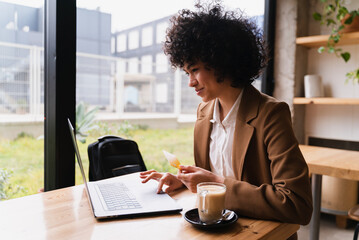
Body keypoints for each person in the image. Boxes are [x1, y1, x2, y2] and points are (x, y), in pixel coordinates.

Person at [140, 1, 313, 232]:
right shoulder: (204, 113)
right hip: (215, 230)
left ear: (219, 60)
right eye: (187, 73)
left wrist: (216, 185)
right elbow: (211, 178)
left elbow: (296, 204)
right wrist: (182, 181)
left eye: (194, 70)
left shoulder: (271, 114)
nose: (190, 82)